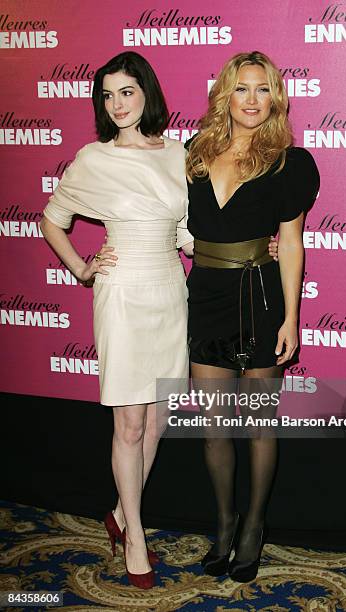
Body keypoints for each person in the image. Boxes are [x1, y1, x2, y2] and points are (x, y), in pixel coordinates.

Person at [40, 51, 194, 589]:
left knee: (160, 421)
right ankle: (135, 537)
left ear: (146, 93)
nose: (117, 104)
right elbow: (51, 220)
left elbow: (186, 232)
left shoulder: (178, 154)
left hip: (171, 291)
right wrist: (83, 268)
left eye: (126, 91)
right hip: (123, 294)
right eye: (107, 95)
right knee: (129, 424)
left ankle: (121, 513)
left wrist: (243, 247)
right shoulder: (93, 158)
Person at [185, 51, 319, 582]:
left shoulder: (289, 163)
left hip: (260, 296)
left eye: (263, 90)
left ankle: (254, 525)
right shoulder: (195, 153)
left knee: (259, 425)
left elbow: (291, 243)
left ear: (276, 98)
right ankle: (224, 521)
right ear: (225, 94)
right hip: (207, 294)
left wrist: (291, 318)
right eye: (242, 89)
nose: (252, 100)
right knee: (215, 427)